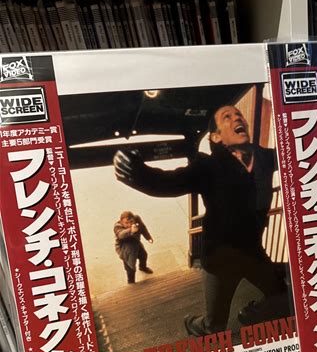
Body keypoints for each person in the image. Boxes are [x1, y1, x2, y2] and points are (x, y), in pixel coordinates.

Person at [113, 105, 289, 335]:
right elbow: (168, 182)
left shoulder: (263, 157)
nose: (237, 118)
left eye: (239, 115)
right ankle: (193, 324)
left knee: (284, 297)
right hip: (220, 260)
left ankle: (251, 314)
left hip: (253, 253)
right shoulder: (208, 166)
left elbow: (294, 154)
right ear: (216, 137)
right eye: (227, 117)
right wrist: (135, 172)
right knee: (214, 327)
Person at [114, 211, 154, 284]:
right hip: (126, 249)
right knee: (130, 267)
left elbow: (143, 228)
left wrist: (148, 237)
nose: (130, 224)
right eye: (126, 223)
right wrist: (130, 230)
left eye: (131, 222)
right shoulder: (117, 226)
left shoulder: (137, 219)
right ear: (121, 222)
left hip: (136, 244)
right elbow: (121, 235)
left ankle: (142, 267)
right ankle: (131, 281)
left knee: (143, 255)